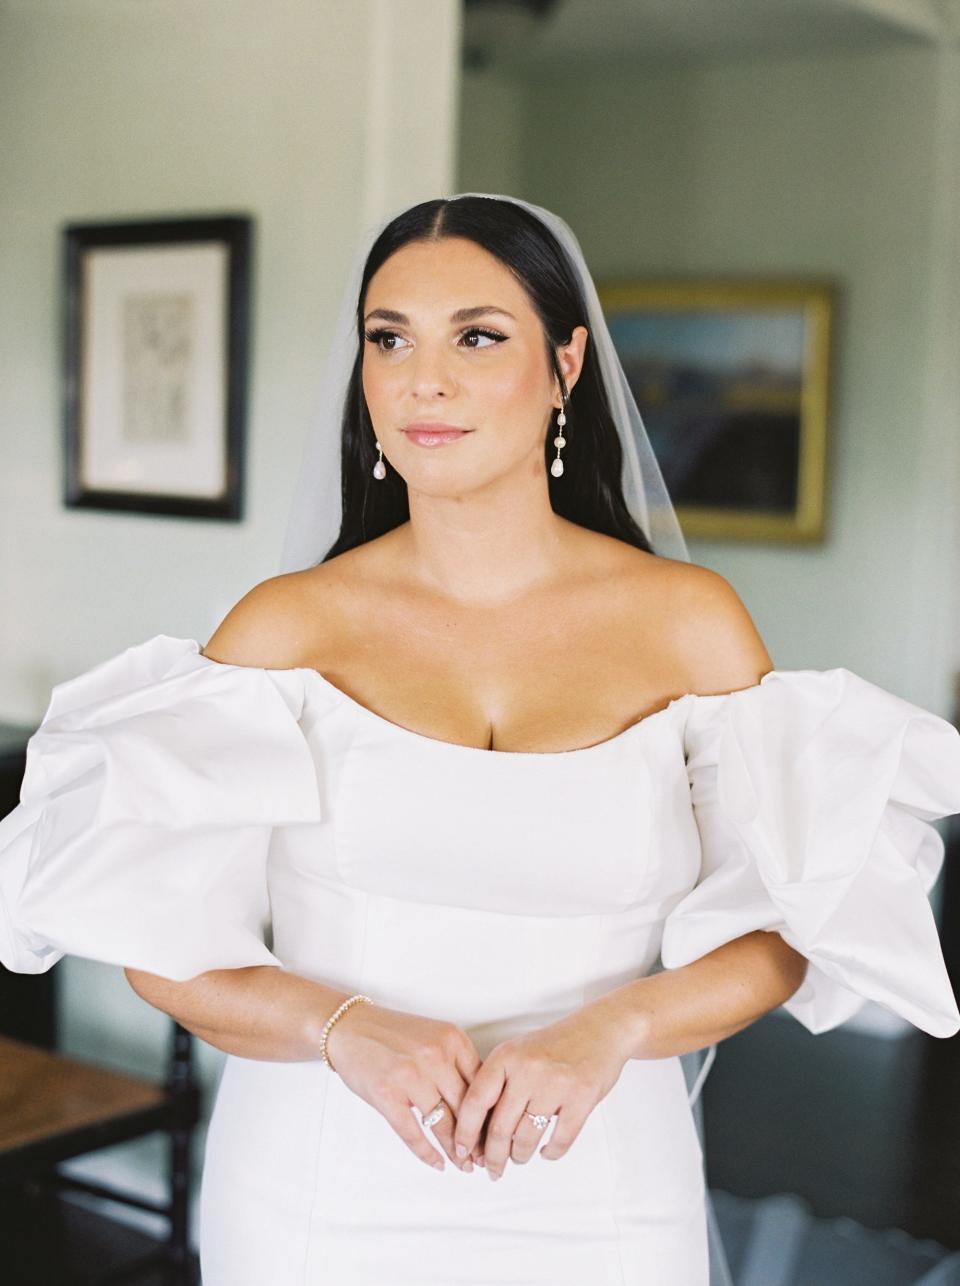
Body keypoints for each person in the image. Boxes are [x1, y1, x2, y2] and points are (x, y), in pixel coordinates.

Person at [2, 193, 959, 1286]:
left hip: (602, 1179)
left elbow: (791, 925)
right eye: (389, 337)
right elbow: (164, 944)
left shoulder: (690, 624)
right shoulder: (286, 627)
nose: (424, 380)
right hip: (319, 1184)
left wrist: (611, 1028)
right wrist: (342, 1025)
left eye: (478, 336)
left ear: (566, 363)